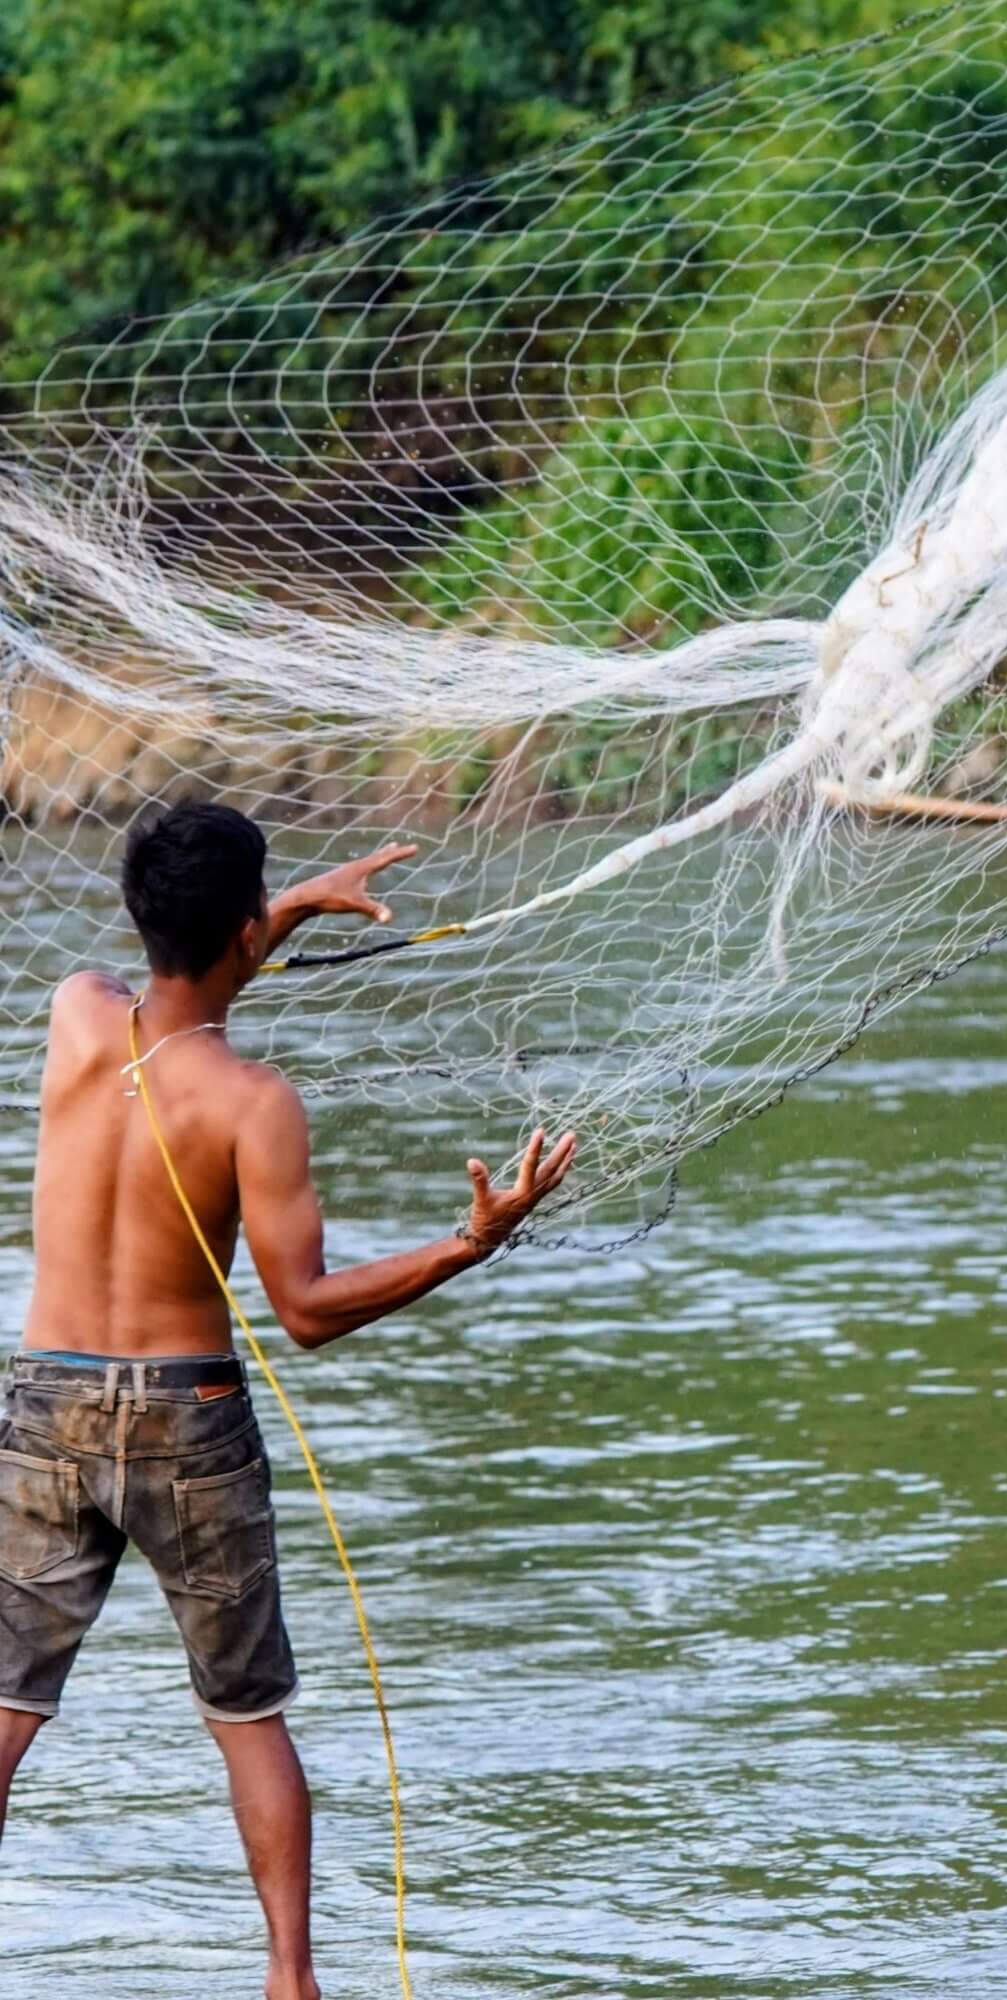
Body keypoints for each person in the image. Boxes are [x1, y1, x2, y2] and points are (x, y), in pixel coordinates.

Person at [0, 801, 576, 2000]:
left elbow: (177, 1007)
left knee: (6, 1703)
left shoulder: (74, 1010)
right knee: (247, 1712)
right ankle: (289, 1981)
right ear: (245, 924)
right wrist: (470, 1240)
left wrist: (287, 905)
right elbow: (306, 1310)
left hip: (46, 1397)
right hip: (188, 1414)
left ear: (136, 911)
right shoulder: (255, 1102)